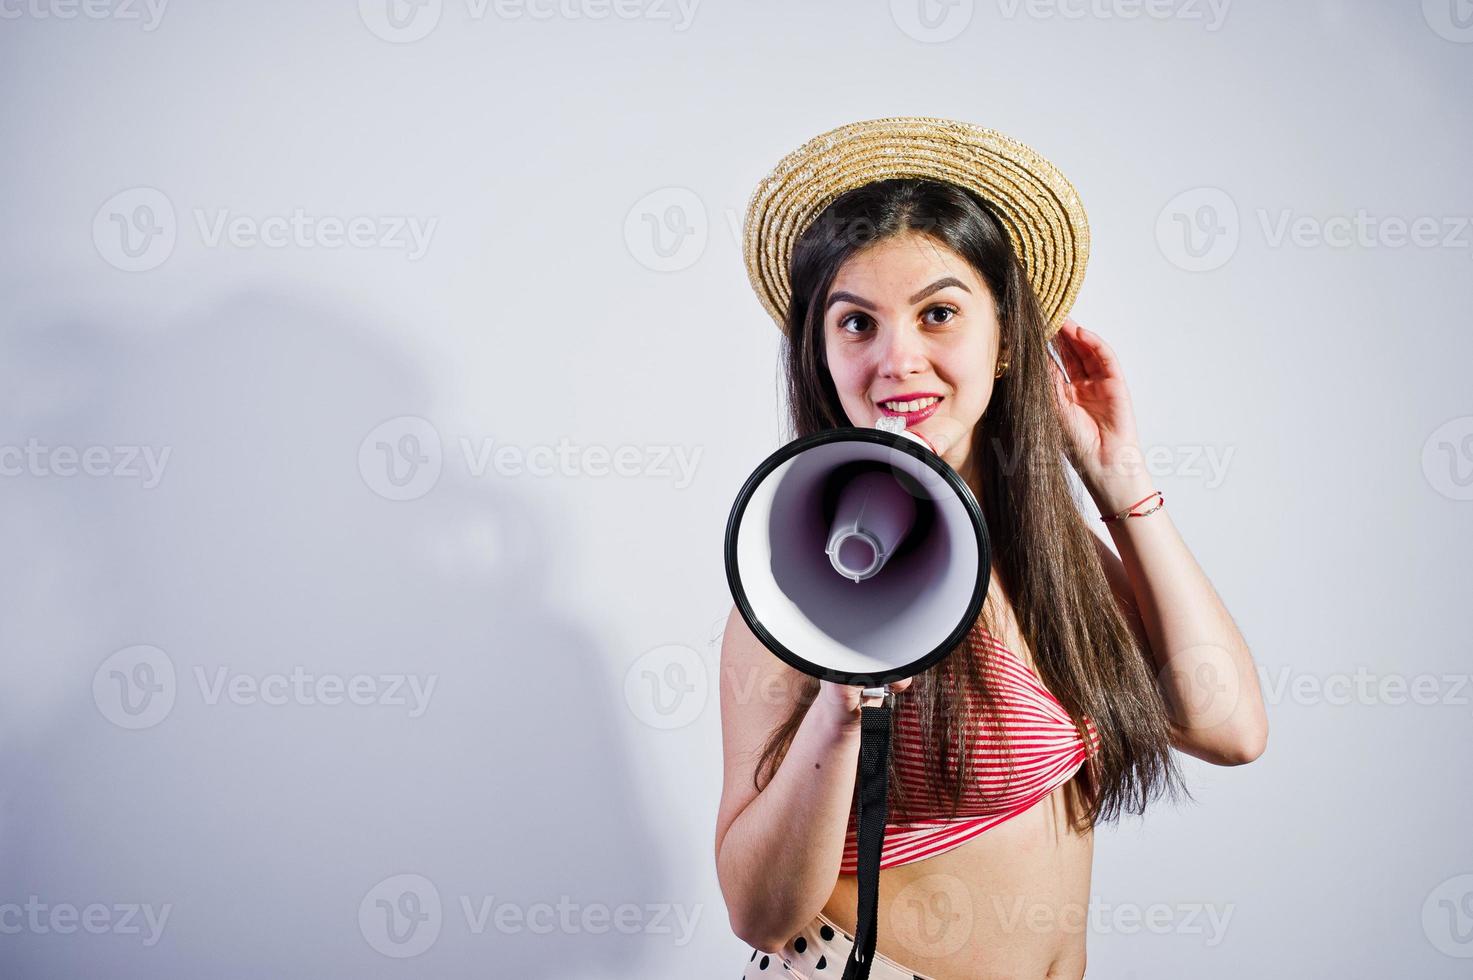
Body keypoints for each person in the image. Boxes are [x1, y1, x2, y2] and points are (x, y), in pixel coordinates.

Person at [714, 118, 1269, 980]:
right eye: (855, 324)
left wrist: (1120, 481)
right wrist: (839, 703)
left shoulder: (1056, 558)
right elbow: (758, 912)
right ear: (820, 354)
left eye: (938, 314)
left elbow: (1228, 728)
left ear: (1007, 339)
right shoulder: (793, 597)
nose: (898, 359)